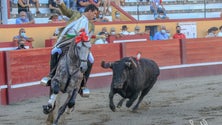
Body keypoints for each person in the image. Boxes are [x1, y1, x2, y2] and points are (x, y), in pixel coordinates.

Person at [41, 3, 99, 95]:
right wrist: (61, 3)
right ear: (89, 11)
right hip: (67, 39)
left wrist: (89, 43)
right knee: (54, 51)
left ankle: (83, 84)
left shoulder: (91, 25)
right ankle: (51, 75)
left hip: (81, 44)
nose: (95, 16)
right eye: (94, 13)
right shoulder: (76, 14)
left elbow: (88, 38)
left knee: (91, 60)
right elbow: (66, 11)